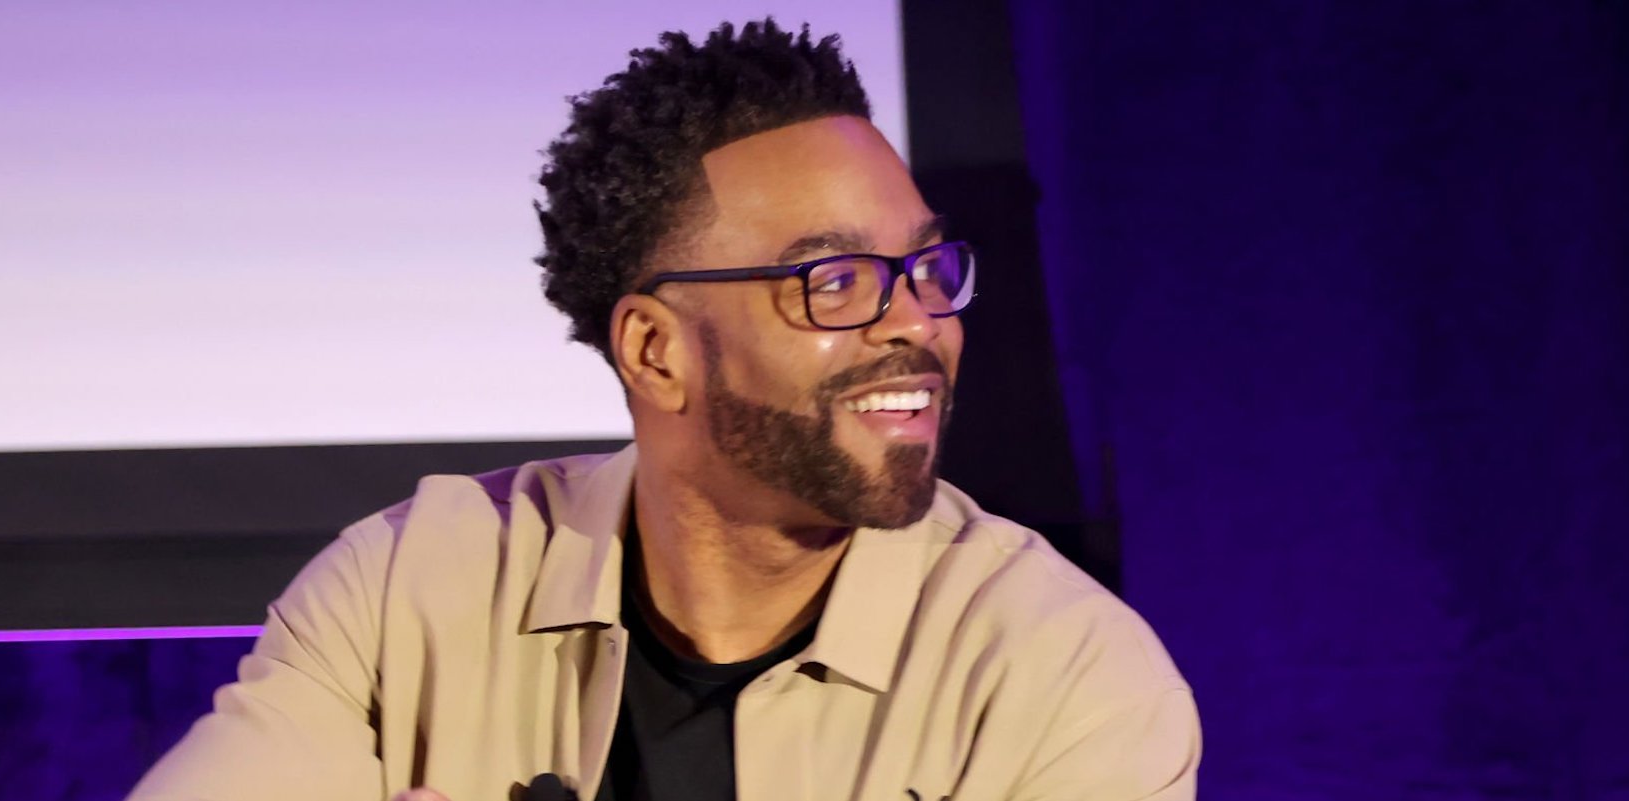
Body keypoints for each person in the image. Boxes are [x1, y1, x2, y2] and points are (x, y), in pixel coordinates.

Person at [128, 19, 1199, 801]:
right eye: (833, 282)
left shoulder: (1057, 667)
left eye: (925, 267)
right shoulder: (408, 590)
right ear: (654, 350)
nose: (916, 321)